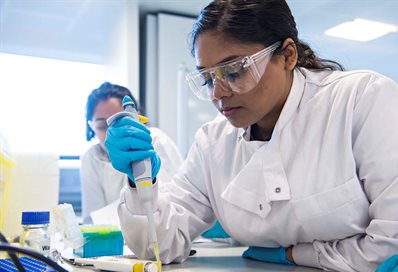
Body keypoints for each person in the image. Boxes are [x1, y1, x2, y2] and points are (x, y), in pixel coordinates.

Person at [104, 1, 398, 271]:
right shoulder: (212, 143)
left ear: (287, 56)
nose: (217, 94)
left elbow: (390, 247)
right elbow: (159, 245)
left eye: (234, 71)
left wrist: (296, 255)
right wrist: (139, 179)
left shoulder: (361, 100)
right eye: (207, 78)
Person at [80, 82, 183, 223]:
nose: (111, 134)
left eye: (118, 123)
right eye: (102, 126)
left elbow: (169, 205)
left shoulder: (154, 140)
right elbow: (93, 220)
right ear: (91, 126)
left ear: (137, 119)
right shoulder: (92, 158)